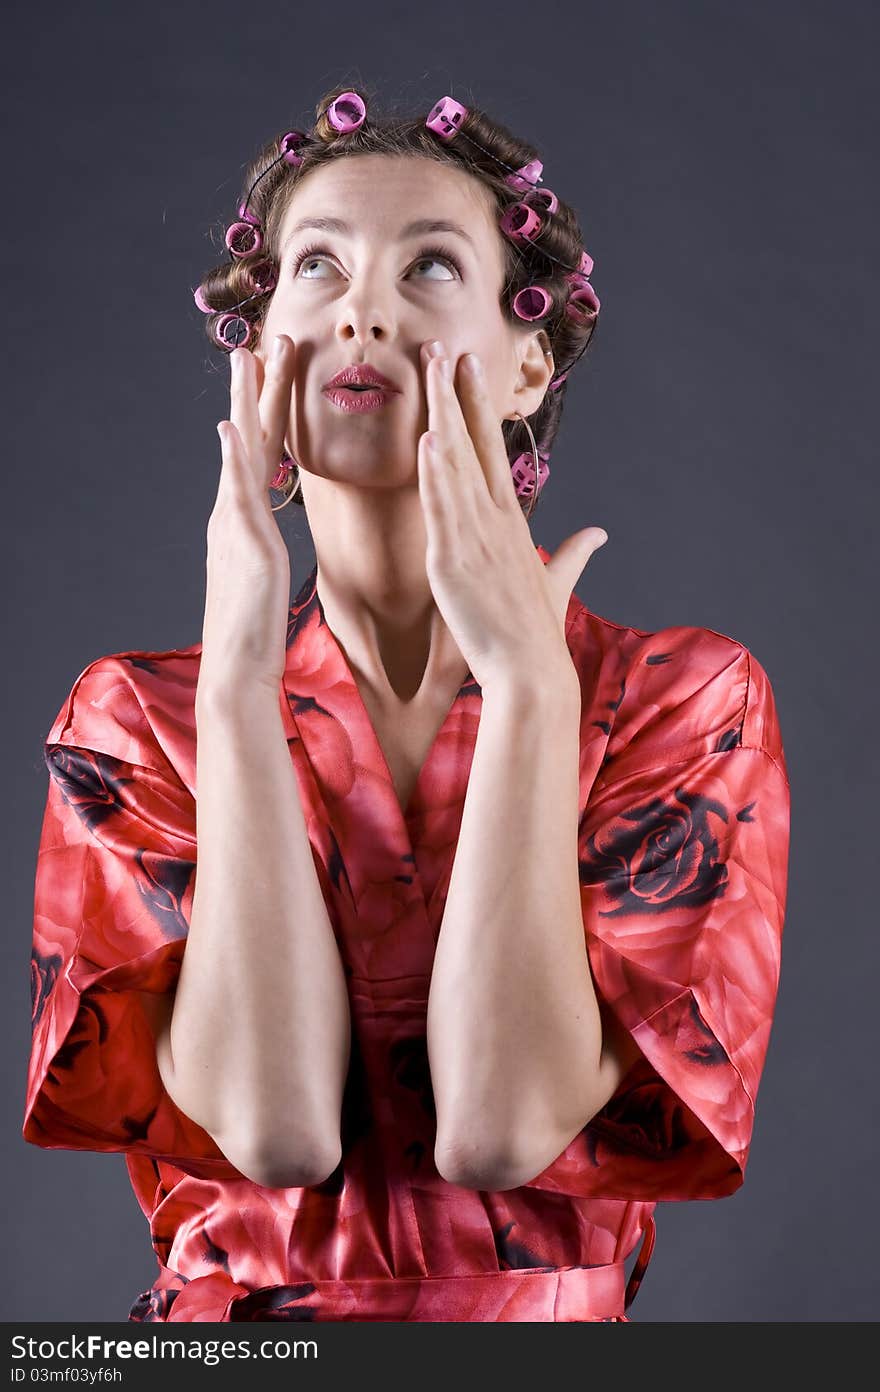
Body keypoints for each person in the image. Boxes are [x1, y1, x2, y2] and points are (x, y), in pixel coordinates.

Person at [22, 85, 791, 1323]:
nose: (362, 309)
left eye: (429, 265)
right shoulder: (136, 719)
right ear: (261, 340)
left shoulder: (678, 699)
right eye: (315, 265)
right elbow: (271, 1132)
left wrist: (532, 694)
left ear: (527, 358)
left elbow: (501, 1129)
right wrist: (234, 688)